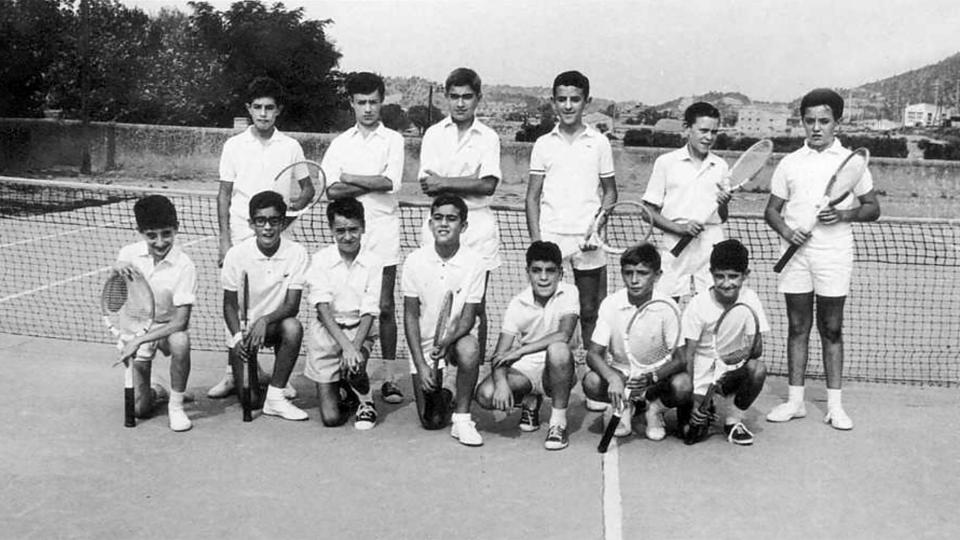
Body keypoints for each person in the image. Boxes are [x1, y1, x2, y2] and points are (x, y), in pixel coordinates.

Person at [763, 88, 880, 431]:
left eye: (824, 121)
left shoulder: (852, 163)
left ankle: (835, 407)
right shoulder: (789, 162)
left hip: (834, 254)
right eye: (810, 120)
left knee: (831, 328)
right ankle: (795, 402)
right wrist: (787, 232)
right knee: (797, 327)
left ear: (836, 123)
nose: (816, 127)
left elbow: (873, 208)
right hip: (795, 257)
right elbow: (771, 211)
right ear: (802, 121)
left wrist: (844, 215)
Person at [210, 76, 306, 399]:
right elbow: (224, 194)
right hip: (241, 234)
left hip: (278, 233)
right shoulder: (233, 146)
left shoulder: (291, 146)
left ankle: (280, 377)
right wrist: (224, 239)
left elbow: (307, 188)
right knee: (238, 304)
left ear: (279, 110)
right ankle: (232, 372)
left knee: (278, 303)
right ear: (248, 109)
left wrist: (296, 207)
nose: (263, 113)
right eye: (258, 107)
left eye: (269, 107)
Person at [324, 72, 406, 405]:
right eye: (362, 102)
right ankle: (351, 371)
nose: (368, 108)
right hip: (350, 233)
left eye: (373, 101)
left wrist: (349, 178)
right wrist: (369, 182)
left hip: (384, 232)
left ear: (381, 101)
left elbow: (390, 182)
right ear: (352, 104)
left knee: (384, 307)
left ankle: (389, 378)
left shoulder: (394, 140)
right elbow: (332, 191)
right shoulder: (340, 143)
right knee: (351, 304)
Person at [525, 70, 618, 350]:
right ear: (553, 101)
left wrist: (596, 229)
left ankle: (590, 369)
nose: (568, 106)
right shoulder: (543, 144)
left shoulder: (599, 142)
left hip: (587, 241)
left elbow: (610, 192)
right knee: (547, 313)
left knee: (590, 311)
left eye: (574, 100)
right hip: (552, 237)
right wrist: (537, 243)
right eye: (562, 99)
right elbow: (532, 197)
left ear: (586, 102)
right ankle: (546, 371)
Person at [419, 67, 502, 361]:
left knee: (475, 307)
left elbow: (488, 185)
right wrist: (469, 181)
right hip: (439, 227)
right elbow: (429, 185)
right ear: (446, 97)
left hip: (479, 229)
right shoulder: (433, 134)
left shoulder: (489, 137)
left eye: (467, 96)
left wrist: (445, 181)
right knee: (434, 302)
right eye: (454, 96)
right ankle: (433, 367)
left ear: (478, 98)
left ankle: (472, 369)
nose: (460, 103)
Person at [474, 241, 579, 450]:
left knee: (558, 348)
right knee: (486, 395)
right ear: (527, 272)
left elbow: (564, 334)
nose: (543, 277)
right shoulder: (517, 303)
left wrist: (521, 350)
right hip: (525, 369)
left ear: (560, 273)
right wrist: (501, 384)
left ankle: (558, 423)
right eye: (536, 270)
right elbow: (500, 353)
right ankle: (530, 399)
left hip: (558, 367)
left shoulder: (569, 292)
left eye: (550, 271)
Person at [582, 243, 692, 441]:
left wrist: (653, 377)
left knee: (683, 385)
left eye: (642, 273)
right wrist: (613, 378)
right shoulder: (610, 304)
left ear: (657, 275)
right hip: (622, 374)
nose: (634, 280)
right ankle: (624, 404)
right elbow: (593, 354)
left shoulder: (668, 307)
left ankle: (654, 408)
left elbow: (680, 359)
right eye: (628, 273)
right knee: (591, 382)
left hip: (656, 379)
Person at [402, 194, 486, 446]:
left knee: (470, 349)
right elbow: (410, 315)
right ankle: (449, 387)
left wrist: (447, 342)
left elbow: (468, 318)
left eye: (451, 219)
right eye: (438, 218)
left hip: (457, 338)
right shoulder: (414, 261)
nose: (444, 224)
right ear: (430, 224)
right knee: (432, 421)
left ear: (463, 226)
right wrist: (422, 363)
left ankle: (462, 419)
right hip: (425, 345)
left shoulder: (476, 263)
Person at [220, 191, 310, 421]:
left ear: (283, 223)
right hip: (243, 332)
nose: (267, 227)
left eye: (273, 221)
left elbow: (292, 306)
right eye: (261, 221)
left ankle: (276, 396)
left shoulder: (297, 253)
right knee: (250, 401)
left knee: (293, 327)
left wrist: (265, 320)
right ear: (251, 224)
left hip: (275, 326)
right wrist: (238, 337)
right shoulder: (235, 255)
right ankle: (252, 372)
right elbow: (229, 305)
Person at [114, 195, 197, 432]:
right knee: (140, 410)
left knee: (181, 342)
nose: (160, 242)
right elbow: (116, 295)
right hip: (136, 325)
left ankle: (176, 406)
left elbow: (181, 321)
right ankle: (158, 389)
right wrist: (116, 269)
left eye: (166, 234)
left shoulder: (185, 265)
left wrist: (139, 341)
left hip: (169, 327)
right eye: (151, 235)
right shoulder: (128, 254)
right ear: (140, 232)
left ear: (176, 229)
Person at [303, 197, 383, 429]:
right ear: (331, 230)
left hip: (360, 331)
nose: (347, 237)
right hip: (327, 333)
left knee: (356, 365)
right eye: (340, 231)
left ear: (363, 228)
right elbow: (322, 308)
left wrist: (354, 348)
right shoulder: (320, 259)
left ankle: (366, 401)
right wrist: (345, 347)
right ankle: (344, 387)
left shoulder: (374, 262)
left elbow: (370, 310)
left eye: (353, 229)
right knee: (331, 419)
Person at [681, 239, 769, 445]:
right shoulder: (698, 305)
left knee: (757, 369)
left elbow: (756, 349)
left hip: (730, 368)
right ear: (711, 274)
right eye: (720, 276)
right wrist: (693, 400)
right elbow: (688, 355)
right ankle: (692, 405)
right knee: (689, 434)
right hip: (700, 373)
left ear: (745, 275)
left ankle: (733, 420)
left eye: (733, 276)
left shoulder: (750, 299)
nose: (726, 283)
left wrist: (730, 361)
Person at [642, 101, 732, 301]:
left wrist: (724, 203)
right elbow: (647, 212)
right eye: (703, 130)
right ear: (687, 128)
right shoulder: (666, 162)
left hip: (710, 245)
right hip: (674, 245)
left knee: (710, 307)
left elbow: (722, 217)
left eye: (714, 132)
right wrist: (680, 228)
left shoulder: (721, 166)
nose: (709, 137)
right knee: (665, 304)